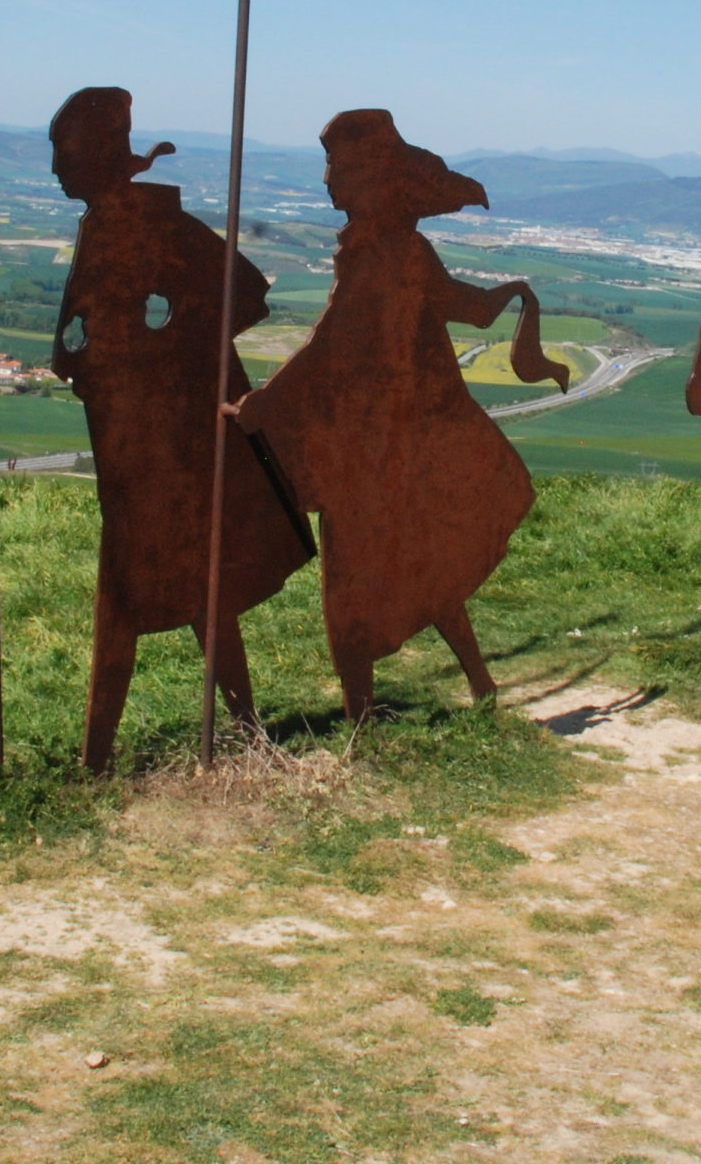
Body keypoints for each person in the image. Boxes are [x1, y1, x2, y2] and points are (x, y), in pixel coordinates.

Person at [234, 110, 566, 718]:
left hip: (368, 445)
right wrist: (515, 294)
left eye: (337, 166)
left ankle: (361, 714)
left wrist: (268, 400)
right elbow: (467, 308)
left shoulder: (377, 253)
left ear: (371, 177)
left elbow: (331, 340)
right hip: (404, 440)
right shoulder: (404, 247)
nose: (327, 179)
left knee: (353, 574)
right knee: (419, 556)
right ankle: (478, 685)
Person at [46, 87, 310, 772]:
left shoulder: (154, 222)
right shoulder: (103, 224)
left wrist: (166, 357)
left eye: (64, 153)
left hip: (168, 443)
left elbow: (244, 292)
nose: (54, 169)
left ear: (100, 155)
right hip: (127, 433)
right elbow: (80, 329)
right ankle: (243, 730)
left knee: (139, 589)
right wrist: (89, 360)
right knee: (198, 586)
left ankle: (97, 760)